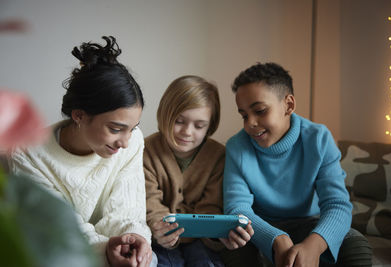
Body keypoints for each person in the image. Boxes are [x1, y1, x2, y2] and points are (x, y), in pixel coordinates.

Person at [8, 36, 157, 267]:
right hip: (61, 252)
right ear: (79, 115)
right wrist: (106, 251)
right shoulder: (29, 154)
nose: (125, 142)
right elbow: (59, 231)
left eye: (132, 128)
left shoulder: (133, 142)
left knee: (147, 259)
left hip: (108, 247)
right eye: (116, 129)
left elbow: (127, 212)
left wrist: (134, 239)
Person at [223, 62, 372, 267]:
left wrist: (315, 245)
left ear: (289, 105)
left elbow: (337, 205)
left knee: (356, 245)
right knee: (234, 247)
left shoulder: (318, 138)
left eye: (260, 111)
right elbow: (237, 209)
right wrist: (276, 238)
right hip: (260, 227)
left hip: (310, 224)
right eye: (244, 115)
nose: (250, 123)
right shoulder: (236, 147)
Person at [144, 75, 257, 267]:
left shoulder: (218, 155)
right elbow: (150, 202)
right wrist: (160, 228)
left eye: (199, 126)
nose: (187, 132)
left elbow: (211, 207)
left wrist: (218, 233)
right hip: (162, 239)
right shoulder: (146, 150)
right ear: (166, 115)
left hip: (202, 242)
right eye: (179, 121)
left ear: (209, 126)